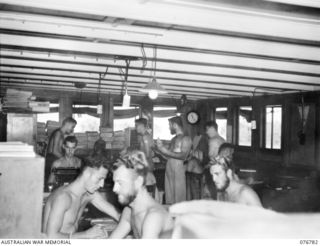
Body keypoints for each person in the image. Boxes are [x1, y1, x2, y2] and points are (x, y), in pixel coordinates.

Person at [42, 162, 120, 239]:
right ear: (86, 174)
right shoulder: (63, 198)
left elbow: (117, 214)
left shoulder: (89, 194)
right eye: (100, 178)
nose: (101, 184)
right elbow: (50, 237)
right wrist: (86, 234)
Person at [109, 151, 173, 238]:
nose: (114, 189)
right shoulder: (129, 211)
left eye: (120, 183)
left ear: (138, 181)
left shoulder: (153, 217)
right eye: (114, 183)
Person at [156, 116, 192, 204]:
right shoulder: (173, 139)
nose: (169, 127)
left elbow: (183, 156)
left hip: (178, 168)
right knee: (169, 196)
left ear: (175, 125)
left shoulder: (186, 138)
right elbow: (168, 157)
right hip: (169, 167)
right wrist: (159, 151)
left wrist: (164, 150)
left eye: (170, 125)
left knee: (179, 197)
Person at [45, 117, 77, 189]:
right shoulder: (58, 133)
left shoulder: (61, 134)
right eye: (72, 127)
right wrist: (66, 160)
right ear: (67, 124)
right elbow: (54, 151)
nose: (72, 129)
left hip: (54, 159)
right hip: (51, 160)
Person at [202, 121, 226, 199]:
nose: (206, 132)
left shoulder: (212, 140)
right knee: (220, 194)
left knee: (210, 195)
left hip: (214, 170)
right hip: (222, 170)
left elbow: (212, 156)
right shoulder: (222, 139)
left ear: (212, 129)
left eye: (207, 129)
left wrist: (206, 166)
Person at [135, 118, 157, 197]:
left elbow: (147, 155)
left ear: (141, 126)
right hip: (146, 165)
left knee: (147, 192)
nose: (135, 127)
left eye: (136, 125)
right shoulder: (145, 136)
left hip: (146, 166)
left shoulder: (145, 137)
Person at [185, 131, 208, 200]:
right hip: (198, 179)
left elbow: (188, 171)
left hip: (194, 180)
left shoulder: (194, 160)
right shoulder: (200, 155)